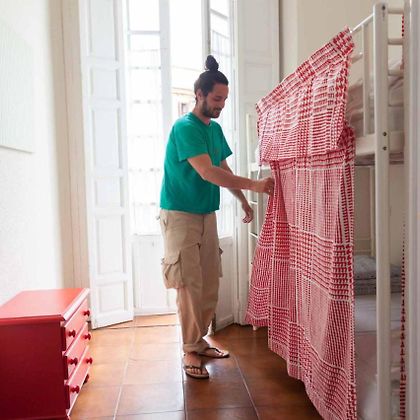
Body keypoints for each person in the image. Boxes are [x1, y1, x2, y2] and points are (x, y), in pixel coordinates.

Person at [159, 55, 274, 379]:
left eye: (224, 99)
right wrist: (255, 185)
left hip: (206, 214)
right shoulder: (185, 128)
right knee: (189, 285)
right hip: (180, 215)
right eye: (216, 99)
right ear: (200, 94)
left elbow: (223, 168)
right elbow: (207, 172)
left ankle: (198, 341)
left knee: (209, 283)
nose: (221, 105)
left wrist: (243, 200)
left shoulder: (215, 129)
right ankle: (190, 349)